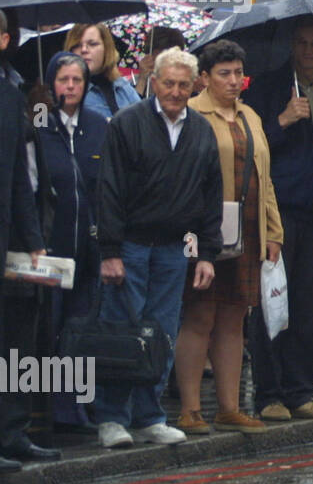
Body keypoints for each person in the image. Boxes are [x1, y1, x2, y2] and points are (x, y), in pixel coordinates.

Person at [93, 47, 222, 449]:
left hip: (173, 251)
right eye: (169, 83)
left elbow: (211, 196)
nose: (176, 91)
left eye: (184, 85)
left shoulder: (201, 131)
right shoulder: (126, 123)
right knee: (122, 333)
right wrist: (110, 250)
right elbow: (109, 189)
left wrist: (207, 254)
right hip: (129, 247)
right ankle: (112, 418)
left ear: (194, 86)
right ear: (154, 82)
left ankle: (150, 416)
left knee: (161, 334)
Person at [242, 17, 313, 423]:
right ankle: (268, 394)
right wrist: (283, 121)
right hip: (279, 213)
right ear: (292, 45)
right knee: (273, 306)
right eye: (302, 43)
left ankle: (301, 390)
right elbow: (252, 148)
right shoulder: (267, 88)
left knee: (309, 308)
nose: (308, 50)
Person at [173, 40, 284, 435]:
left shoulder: (250, 115)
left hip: (248, 229)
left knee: (235, 317)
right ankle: (189, 409)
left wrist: (274, 231)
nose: (234, 81)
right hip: (205, 230)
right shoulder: (191, 114)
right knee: (200, 315)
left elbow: (264, 178)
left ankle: (229, 407)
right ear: (204, 78)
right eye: (224, 73)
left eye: (239, 73)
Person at [34, 53, 108, 430]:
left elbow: (108, 186)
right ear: (52, 84)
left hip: (90, 250)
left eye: (77, 80)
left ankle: (77, 406)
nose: (70, 87)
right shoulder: (40, 125)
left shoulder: (98, 125)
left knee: (80, 330)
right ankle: (50, 409)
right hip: (51, 248)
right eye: (63, 80)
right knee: (50, 328)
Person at [0, 7, 48, 472]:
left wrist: (34, 240)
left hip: (5, 238)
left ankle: (10, 433)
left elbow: (17, 180)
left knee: (12, 342)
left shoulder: (9, 95)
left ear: (4, 40)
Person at [66, 23, 141, 120]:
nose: (84, 50)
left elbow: (145, 124)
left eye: (92, 44)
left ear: (106, 48)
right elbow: (43, 126)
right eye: (77, 45)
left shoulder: (123, 86)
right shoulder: (65, 92)